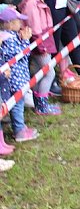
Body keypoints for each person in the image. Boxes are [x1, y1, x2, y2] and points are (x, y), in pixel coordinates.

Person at [17, 0, 61, 115]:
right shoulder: (30, 4)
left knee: (38, 73)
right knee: (49, 73)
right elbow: (34, 27)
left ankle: (39, 103)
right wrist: (41, 45)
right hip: (39, 42)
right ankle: (42, 105)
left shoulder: (35, 1)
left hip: (43, 39)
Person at [0, 7, 38, 142]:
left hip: (17, 76)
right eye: (18, 21)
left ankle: (19, 127)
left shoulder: (9, 36)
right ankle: (19, 131)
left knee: (17, 103)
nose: (21, 24)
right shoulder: (8, 39)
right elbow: (22, 54)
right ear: (9, 23)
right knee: (17, 104)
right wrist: (26, 40)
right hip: (15, 78)